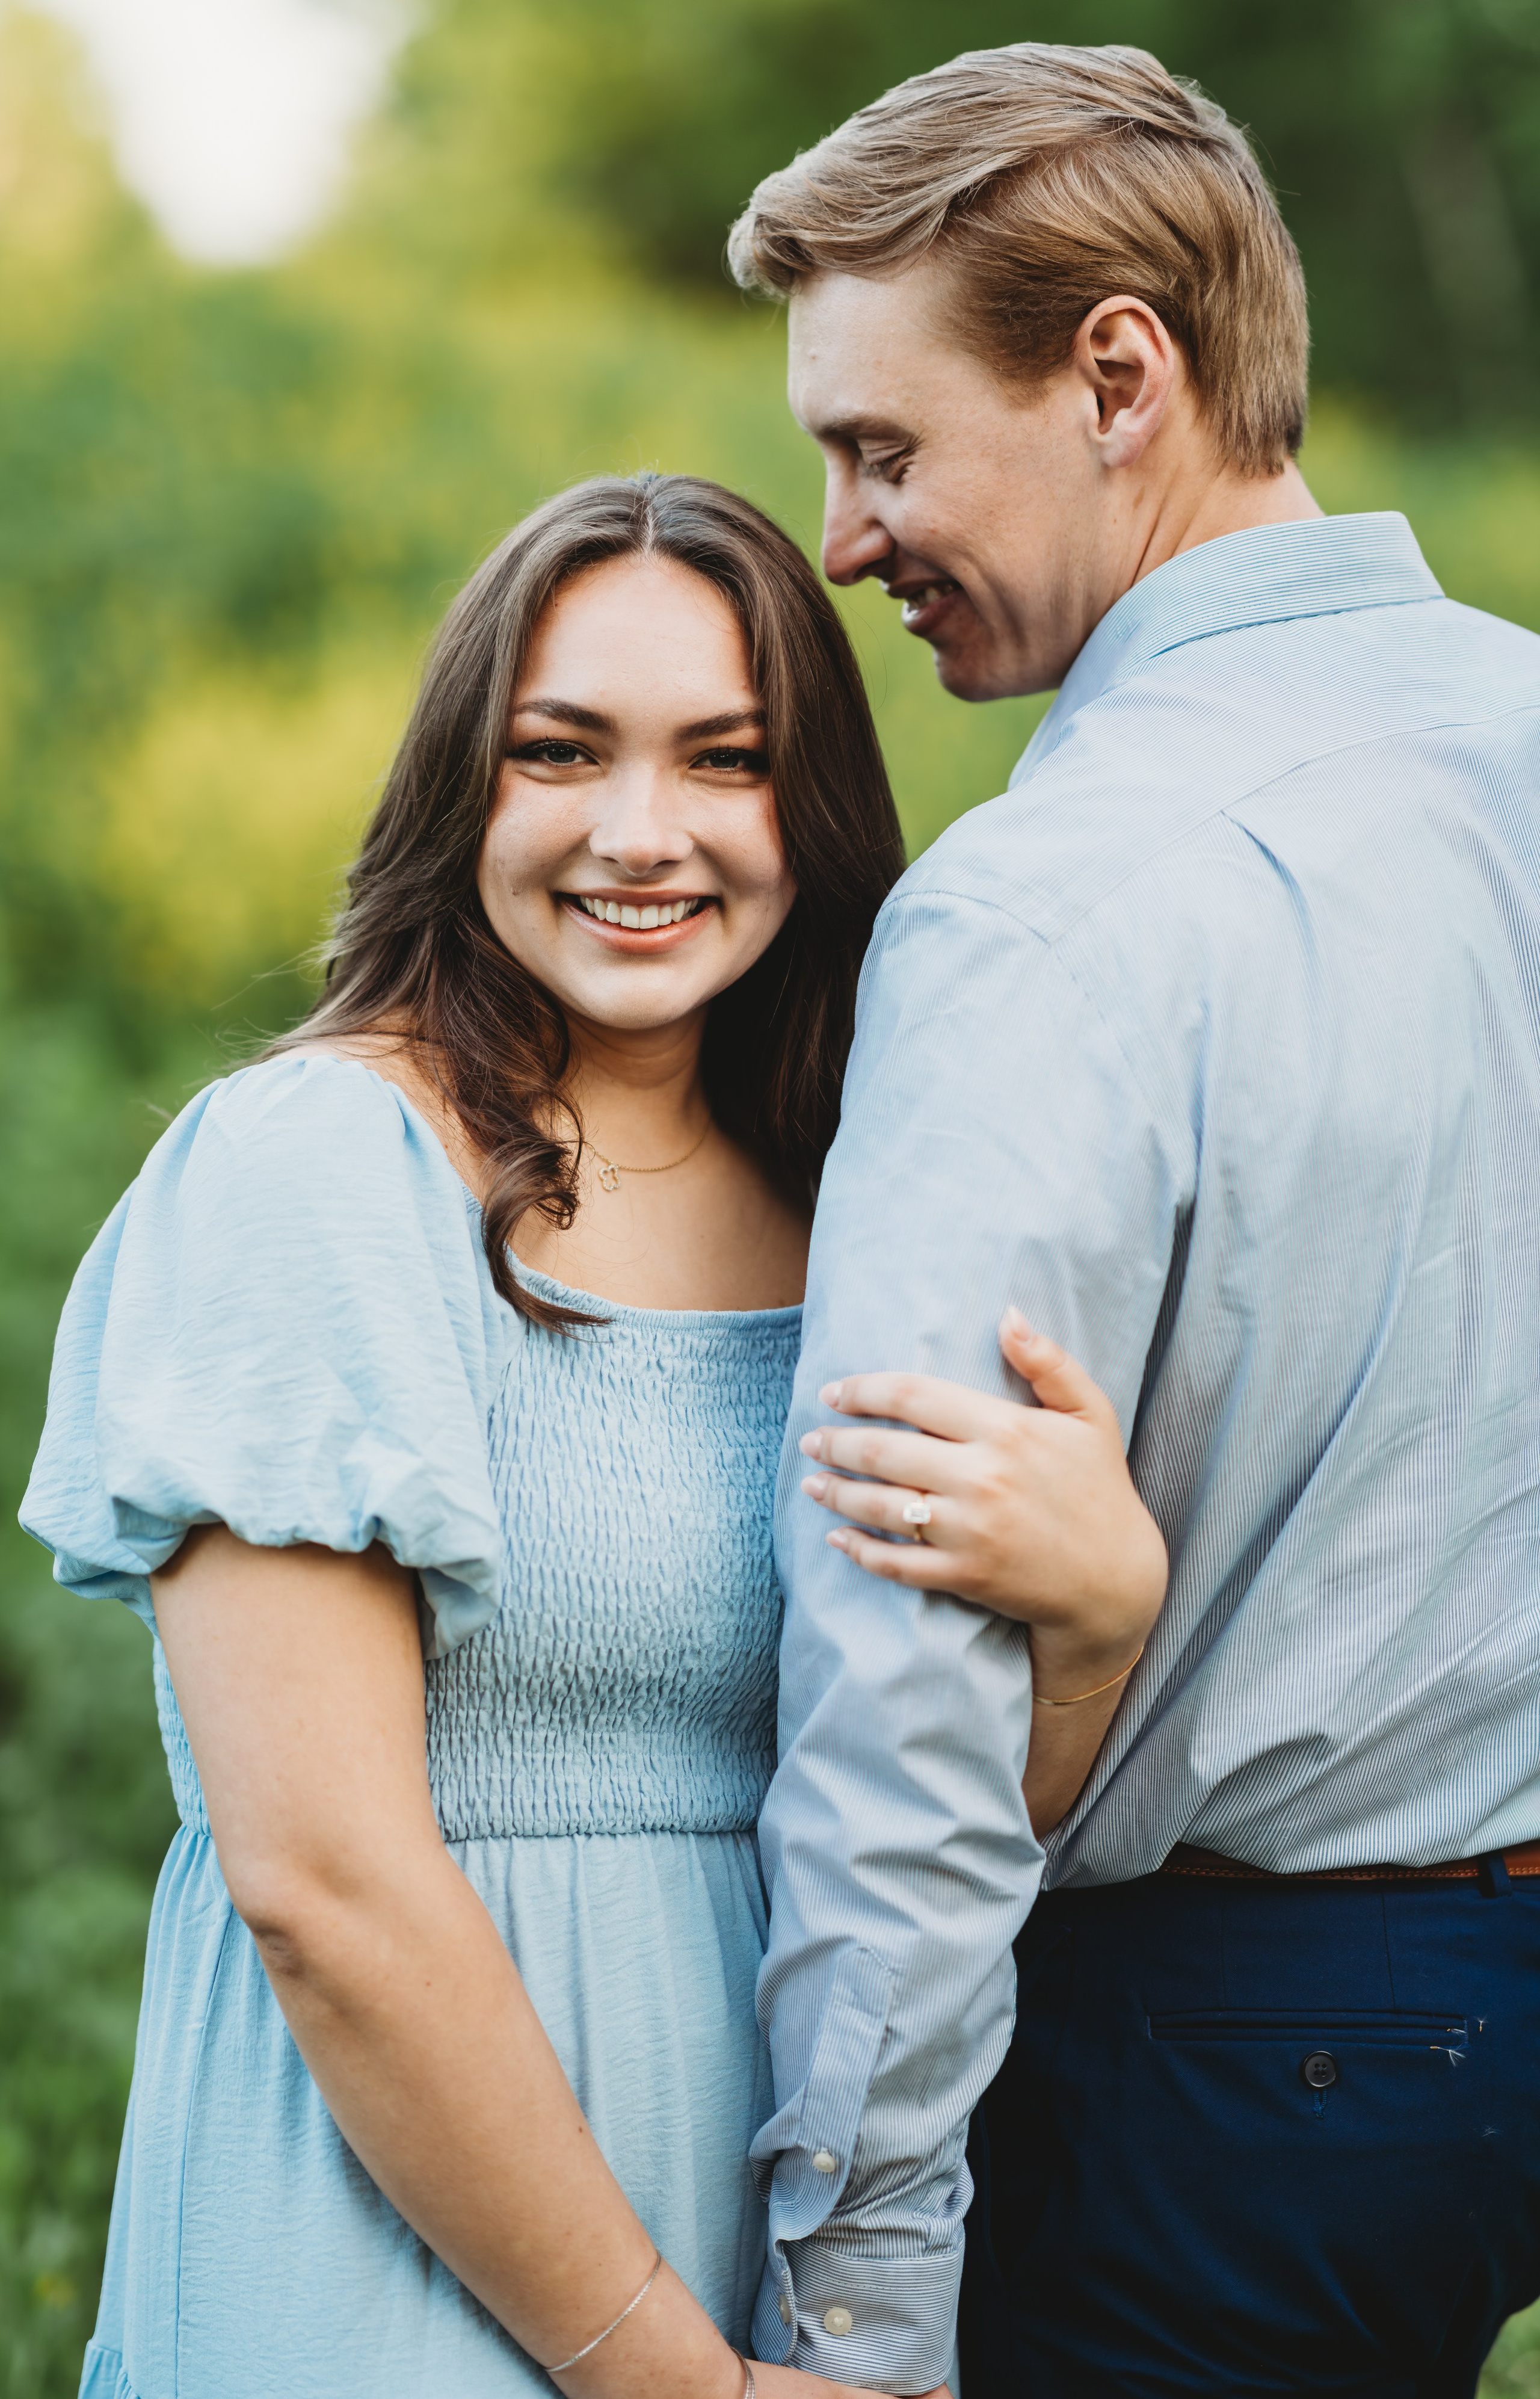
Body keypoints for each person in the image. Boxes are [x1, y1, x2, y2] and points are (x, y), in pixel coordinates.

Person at [20, 471, 1163, 2399]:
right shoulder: (318, 1170)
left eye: (727, 759)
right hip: (385, 2270)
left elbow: (939, 1831)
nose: (646, 833)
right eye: (564, 749)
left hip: (767, 2255)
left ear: (811, 808)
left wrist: (1097, 1621)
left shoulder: (862, 1212)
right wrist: (671, 2381)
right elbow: (323, 1885)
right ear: (465, 782)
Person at [728, 40, 1540, 2399]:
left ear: (1116, 376)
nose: (841, 536)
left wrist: (857, 2307)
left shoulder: (1046, 907)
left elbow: (904, 1677)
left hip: (1217, 2071)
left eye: (880, 450)